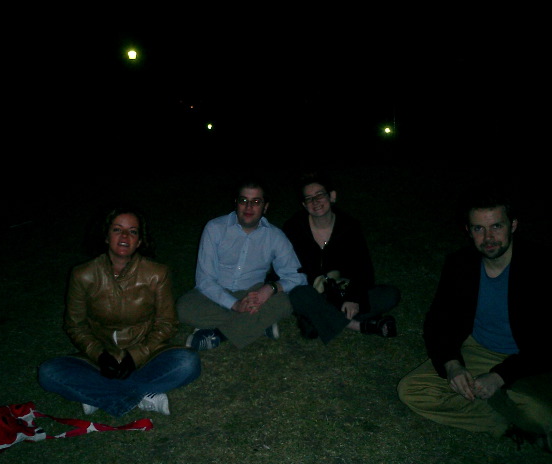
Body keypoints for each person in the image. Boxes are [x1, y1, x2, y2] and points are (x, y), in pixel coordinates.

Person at [397, 185, 551, 452]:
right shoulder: (460, 264)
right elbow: (437, 322)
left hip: (528, 360)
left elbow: (546, 346)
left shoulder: (540, 267)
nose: (488, 237)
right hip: (478, 349)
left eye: (496, 227)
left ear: (513, 225)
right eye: (478, 228)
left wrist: (500, 376)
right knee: (411, 390)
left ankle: (512, 403)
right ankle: (506, 424)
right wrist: (452, 364)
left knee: (543, 414)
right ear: (468, 231)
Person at [38, 205, 201, 417]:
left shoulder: (157, 274)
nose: (125, 236)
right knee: (48, 373)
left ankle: (96, 394)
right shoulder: (83, 275)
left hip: (146, 357)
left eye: (133, 231)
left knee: (188, 363)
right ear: (106, 236)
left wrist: (135, 356)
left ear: (139, 241)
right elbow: (75, 325)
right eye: (117, 229)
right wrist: (99, 354)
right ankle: (142, 394)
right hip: (100, 362)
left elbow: (166, 324)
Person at [177, 175, 308, 351]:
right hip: (215, 294)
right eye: (243, 200)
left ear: (265, 207)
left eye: (256, 201)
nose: (248, 207)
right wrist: (234, 304)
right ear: (236, 202)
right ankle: (260, 324)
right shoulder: (215, 228)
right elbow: (205, 281)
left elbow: (298, 277)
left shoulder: (275, 237)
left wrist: (270, 289)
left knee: (285, 301)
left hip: (253, 294)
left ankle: (217, 336)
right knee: (183, 309)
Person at [282, 171, 400, 344]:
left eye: (320, 195)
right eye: (309, 198)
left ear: (332, 196)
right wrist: (319, 280)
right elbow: (288, 269)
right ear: (304, 204)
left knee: (390, 295)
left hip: (343, 291)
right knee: (299, 295)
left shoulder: (349, 226)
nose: (315, 202)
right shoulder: (294, 228)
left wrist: (353, 298)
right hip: (313, 292)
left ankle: (318, 319)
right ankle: (359, 325)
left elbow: (363, 269)